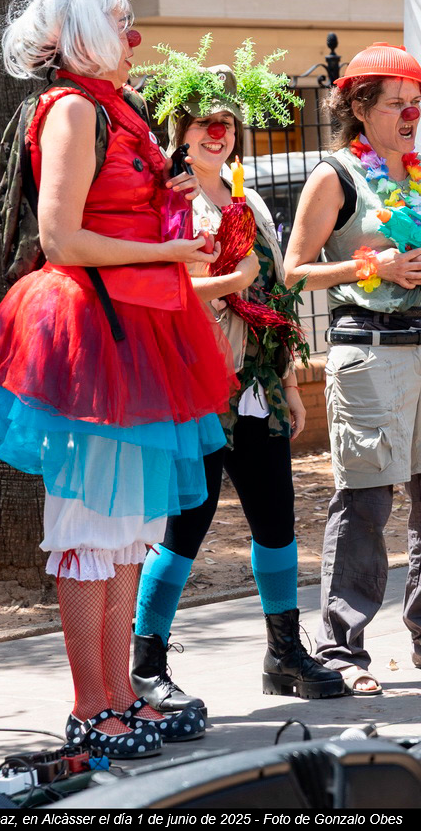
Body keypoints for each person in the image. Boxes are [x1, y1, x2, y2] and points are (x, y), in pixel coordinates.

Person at [0, 0, 231, 757]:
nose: (134, 35)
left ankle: (121, 696)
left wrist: (167, 200)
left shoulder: (116, 110)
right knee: (87, 525)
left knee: (123, 535)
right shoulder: (75, 110)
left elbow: (110, 215)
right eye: (121, 20)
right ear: (83, 33)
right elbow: (61, 239)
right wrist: (167, 251)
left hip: (134, 330)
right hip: (90, 333)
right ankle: (92, 708)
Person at [129, 46, 346, 710]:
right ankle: (146, 662)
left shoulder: (247, 200)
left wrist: (288, 383)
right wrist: (231, 281)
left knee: (276, 520)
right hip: (195, 385)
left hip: (255, 386)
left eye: (225, 122)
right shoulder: (168, 201)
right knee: (185, 527)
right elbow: (162, 291)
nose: (217, 133)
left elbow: (276, 296)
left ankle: (284, 653)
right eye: (204, 122)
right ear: (181, 130)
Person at [284, 42, 421, 689]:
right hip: (370, 351)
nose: (411, 114)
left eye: (416, 103)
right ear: (359, 106)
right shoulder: (336, 176)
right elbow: (294, 272)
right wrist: (370, 264)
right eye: (397, 104)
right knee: (367, 500)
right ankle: (341, 651)